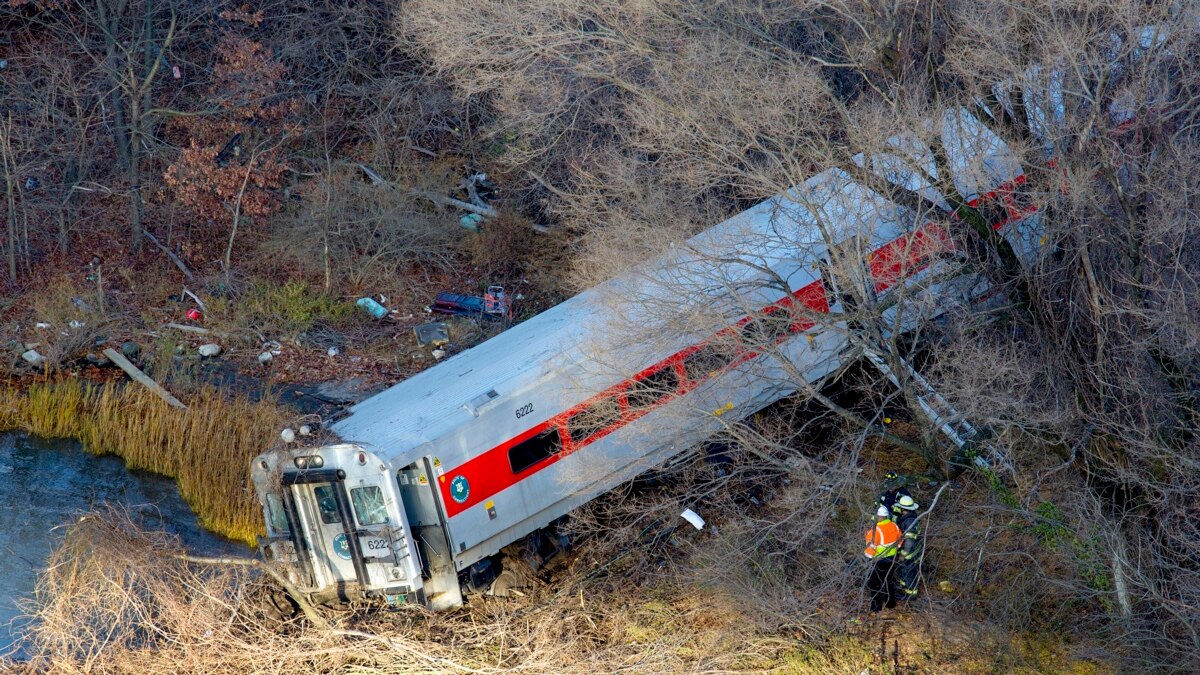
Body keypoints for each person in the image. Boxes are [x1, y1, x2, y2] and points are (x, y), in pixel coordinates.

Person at [864, 505, 902, 611]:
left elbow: (870, 549)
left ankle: (876, 607)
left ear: (880, 517)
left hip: (878, 561)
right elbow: (899, 541)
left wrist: (868, 559)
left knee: (875, 584)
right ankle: (890, 603)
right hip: (893, 559)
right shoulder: (894, 526)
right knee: (889, 581)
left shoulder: (875, 531)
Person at [893, 494, 923, 599]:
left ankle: (911, 594)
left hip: (911, 552)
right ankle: (904, 587)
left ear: (903, 508)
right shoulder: (910, 517)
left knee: (909, 572)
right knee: (902, 570)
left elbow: (909, 540)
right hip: (912, 550)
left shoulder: (909, 521)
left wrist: (903, 554)